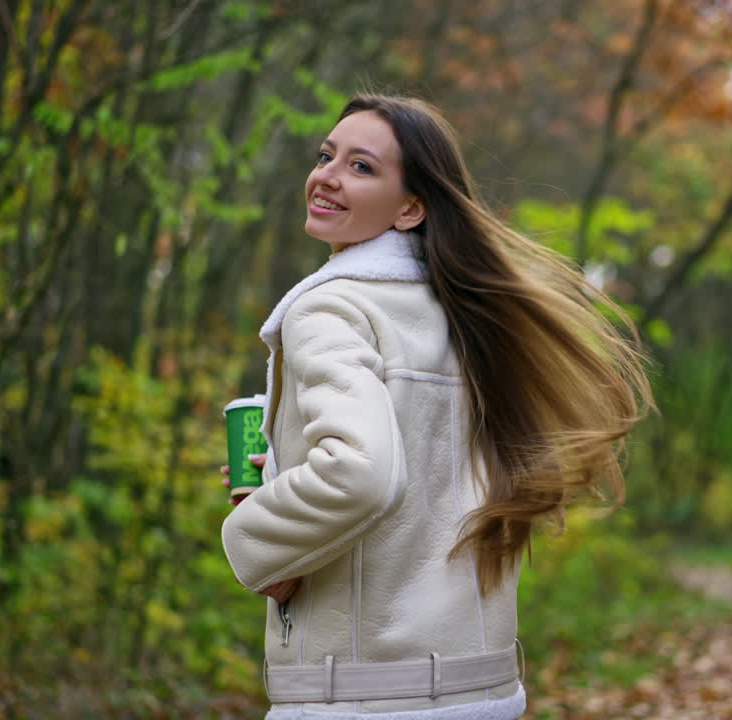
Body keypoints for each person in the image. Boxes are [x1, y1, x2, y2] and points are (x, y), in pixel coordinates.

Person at [219, 94, 651, 719]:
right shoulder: (468, 318)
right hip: (484, 690)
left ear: (411, 206)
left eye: (361, 167)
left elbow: (358, 475)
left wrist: (257, 539)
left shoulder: (331, 308)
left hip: (365, 698)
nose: (328, 176)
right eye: (326, 155)